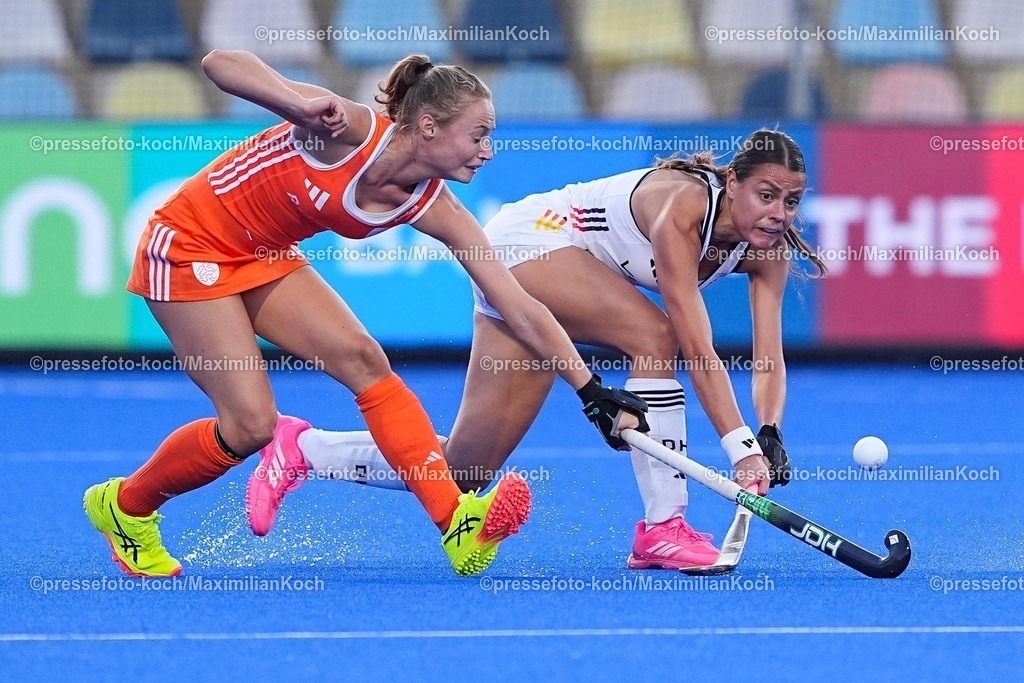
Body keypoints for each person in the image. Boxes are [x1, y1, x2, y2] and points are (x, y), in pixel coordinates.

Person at [82, 50, 646, 579]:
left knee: (365, 361)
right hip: (187, 245)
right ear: (428, 126)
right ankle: (125, 506)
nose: (488, 150)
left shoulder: (435, 205)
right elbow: (218, 62)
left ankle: (457, 525)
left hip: (265, 255)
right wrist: (293, 102)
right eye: (479, 135)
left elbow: (516, 303)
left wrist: (590, 388)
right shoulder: (346, 129)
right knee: (250, 427)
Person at [246, 129, 820, 569]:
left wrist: (768, 433)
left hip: (564, 280)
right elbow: (696, 347)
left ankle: (307, 449)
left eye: (791, 201)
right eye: (765, 194)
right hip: (530, 244)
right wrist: (739, 448)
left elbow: (768, 357)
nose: (778, 213)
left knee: (466, 469)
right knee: (655, 336)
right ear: (734, 182)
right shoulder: (685, 208)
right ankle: (663, 528)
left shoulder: (769, 252)